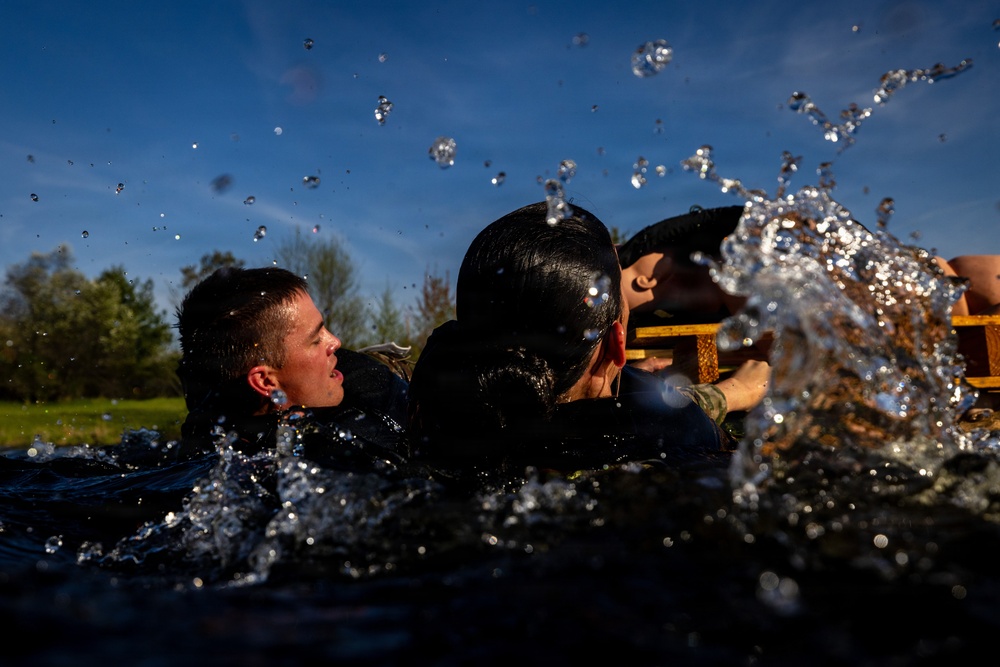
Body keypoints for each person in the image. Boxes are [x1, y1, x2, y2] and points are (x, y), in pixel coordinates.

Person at [406, 202, 770, 487]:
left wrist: (619, 376)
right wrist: (731, 393)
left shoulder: (420, 416)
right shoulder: (668, 442)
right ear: (616, 345)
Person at [174, 266, 411, 470]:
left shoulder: (364, 381)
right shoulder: (312, 461)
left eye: (324, 330)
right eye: (315, 340)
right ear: (266, 382)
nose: (336, 343)